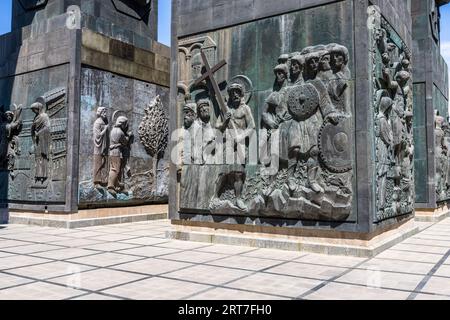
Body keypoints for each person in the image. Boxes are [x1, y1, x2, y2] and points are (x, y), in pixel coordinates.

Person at [215, 83, 256, 210]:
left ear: (241, 93)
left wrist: (241, 137)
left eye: (237, 92)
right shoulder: (226, 109)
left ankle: (238, 199)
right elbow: (218, 127)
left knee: (238, 173)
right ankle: (216, 196)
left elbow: (252, 127)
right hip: (228, 144)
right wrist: (225, 122)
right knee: (223, 173)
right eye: (232, 93)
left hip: (240, 144)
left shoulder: (245, 109)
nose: (235, 95)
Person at [107, 116, 134, 196]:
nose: (125, 126)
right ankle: (110, 187)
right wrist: (129, 136)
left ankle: (118, 186)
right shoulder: (120, 132)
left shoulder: (113, 130)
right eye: (125, 124)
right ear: (122, 124)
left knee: (117, 169)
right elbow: (125, 142)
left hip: (114, 152)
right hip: (116, 152)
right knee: (115, 169)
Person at [31, 101, 51, 183]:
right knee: (37, 157)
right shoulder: (36, 117)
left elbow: (47, 127)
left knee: (43, 157)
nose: (34, 112)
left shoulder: (44, 116)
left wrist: (38, 133)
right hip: (37, 140)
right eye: (33, 110)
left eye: (34, 110)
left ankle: (43, 175)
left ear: (38, 108)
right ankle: (37, 175)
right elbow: (33, 128)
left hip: (42, 140)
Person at [93, 107, 109, 188]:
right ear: (100, 113)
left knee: (103, 163)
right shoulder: (98, 122)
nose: (105, 114)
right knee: (98, 163)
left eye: (105, 112)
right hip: (98, 147)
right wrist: (105, 128)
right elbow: (98, 135)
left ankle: (103, 180)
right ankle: (96, 182)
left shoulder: (102, 122)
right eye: (104, 112)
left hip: (103, 146)